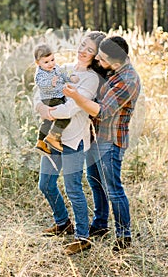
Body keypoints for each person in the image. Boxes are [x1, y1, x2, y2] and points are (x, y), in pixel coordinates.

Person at [63, 36, 141, 252]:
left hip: (111, 140)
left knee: (113, 188)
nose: (97, 58)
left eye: (102, 58)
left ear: (116, 62)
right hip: (95, 137)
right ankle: (100, 224)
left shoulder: (128, 80)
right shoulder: (112, 69)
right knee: (95, 181)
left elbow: (103, 112)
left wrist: (77, 97)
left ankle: (124, 235)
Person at [35, 31, 106, 255]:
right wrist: (41, 108)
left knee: (73, 188)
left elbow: (71, 108)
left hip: (74, 139)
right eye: (82, 45)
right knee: (45, 184)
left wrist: (49, 112)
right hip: (52, 137)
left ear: (96, 56)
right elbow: (38, 92)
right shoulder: (62, 67)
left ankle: (82, 237)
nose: (83, 51)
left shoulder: (92, 79)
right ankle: (63, 222)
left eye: (90, 49)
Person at [33, 43, 79, 155]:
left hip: (59, 96)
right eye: (46, 62)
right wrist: (51, 83)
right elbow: (40, 84)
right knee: (64, 117)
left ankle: (40, 142)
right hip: (50, 99)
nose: (51, 64)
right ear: (38, 63)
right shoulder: (40, 73)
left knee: (47, 122)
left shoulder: (56, 68)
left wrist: (71, 77)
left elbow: (63, 74)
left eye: (52, 60)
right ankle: (53, 137)